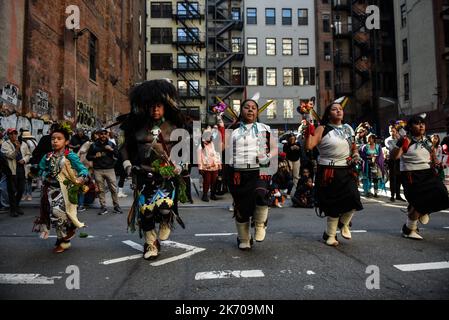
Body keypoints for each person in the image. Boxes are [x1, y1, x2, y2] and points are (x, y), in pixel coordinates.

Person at [119, 79, 187, 260]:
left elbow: (185, 148)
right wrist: (126, 164)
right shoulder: (137, 127)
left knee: (165, 208)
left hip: (167, 174)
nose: (155, 110)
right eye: (151, 106)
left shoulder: (174, 126)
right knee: (146, 212)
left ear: (164, 107)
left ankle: (166, 220)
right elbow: (125, 147)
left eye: (158, 106)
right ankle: (150, 243)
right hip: (143, 174)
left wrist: (180, 165)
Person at [302, 102, 363, 246]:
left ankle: (342, 225)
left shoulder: (348, 128)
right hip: (328, 171)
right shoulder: (322, 128)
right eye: (334, 109)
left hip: (347, 169)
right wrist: (307, 130)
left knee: (354, 198)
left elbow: (353, 147)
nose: (338, 111)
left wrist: (355, 154)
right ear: (329, 114)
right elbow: (309, 146)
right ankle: (330, 235)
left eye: (340, 109)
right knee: (333, 204)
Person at [226, 99, 276, 250]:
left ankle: (260, 224)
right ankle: (244, 238)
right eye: (246, 107)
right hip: (238, 172)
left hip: (259, 170)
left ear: (257, 112)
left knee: (261, 195)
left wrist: (267, 156)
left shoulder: (264, 128)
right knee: (242, 207)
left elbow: (274, 148)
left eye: (253, 108)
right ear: (241, 111)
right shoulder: (234, 130)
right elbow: (225, 150)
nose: (250, 110)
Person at [34, 122, 89, 253]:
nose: (55, 141)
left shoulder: (70, 156)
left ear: (66, 142)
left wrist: (81, 177)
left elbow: (83, 170)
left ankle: (64, 238)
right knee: (54, 216)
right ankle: (65, 236)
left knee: (57, 214)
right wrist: (43, 173)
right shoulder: (47, 156)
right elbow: (40, 169)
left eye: (59, 139)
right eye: (53, 139)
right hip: (49, 190)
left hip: (65, 191)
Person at [392, 115, 449, 240]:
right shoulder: (405, 140)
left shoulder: (427, 140)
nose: (421, 125)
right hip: (411, 175)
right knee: (418, 203)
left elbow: (432, 154)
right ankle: (408, 230)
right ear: (410, 127)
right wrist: (399, 144)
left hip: (428, 173)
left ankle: (423, 211)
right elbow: (394, 157)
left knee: (443, 195)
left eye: (422, 123)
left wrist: (437, 163)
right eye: (417, 123)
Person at [86, 128, 123, 215]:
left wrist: (111, 150)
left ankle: (116, 206)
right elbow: (88, 157)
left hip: (110, 169)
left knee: (113, 189)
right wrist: (95, 156)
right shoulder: (94, 145)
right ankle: (103, 207)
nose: (103, 135)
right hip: (98, 170)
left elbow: (118, 155)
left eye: (105, 134)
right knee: (101, 190)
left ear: (107, 134)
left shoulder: (111, 144)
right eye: (101, 134)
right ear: (98, 135)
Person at [1, 128, 29, 217]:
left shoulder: (23, 143)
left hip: (22, 169)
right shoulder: (5, 144)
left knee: (21, 189)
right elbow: (10, 156)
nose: (13, 136)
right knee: (12, 191)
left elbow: (28, 154)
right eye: (11, 134)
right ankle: (13, 209)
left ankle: (16, 206)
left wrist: (24, 160)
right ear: (8, 135)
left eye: (15, 134)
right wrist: (17, 148)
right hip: (11, 170)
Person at [198, 127, 222, 202]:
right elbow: (199, 158)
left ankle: (212, 194)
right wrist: (200, 168)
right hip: (206, 167)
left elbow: (216, 154)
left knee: (214, 181)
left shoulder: (212, 144)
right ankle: (205, 195)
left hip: (214, 166)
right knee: (207, 181)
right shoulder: (201, 146)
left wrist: (219, 164)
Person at [360, 133, 385, 198]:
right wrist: (368, 156)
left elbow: (380, 155)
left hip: (375, 165)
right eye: (368, 138)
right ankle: (368, 192)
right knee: (367, 178)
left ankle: (376, 192)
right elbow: (362, 155)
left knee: (375, 179)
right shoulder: (365, 146)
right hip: (367, 165)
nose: (369, 139)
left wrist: (375, 159)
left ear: (373, 139)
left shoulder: (378, 146)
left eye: (370, 138)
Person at [384, 125, 405, 202]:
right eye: (390, 131)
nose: (392, 132)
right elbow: (392, 149)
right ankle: (392, 195)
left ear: (396, 131)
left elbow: (403, 148)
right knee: (392, 178)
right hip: (392, 160)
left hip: (400, 160)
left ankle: (398, 195)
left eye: (393, 131)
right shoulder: (387, 140)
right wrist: (399, 144)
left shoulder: (400, 139)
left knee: (399, 178)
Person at [20, 131, 37, 201]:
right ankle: (28, 195)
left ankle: (26, 195)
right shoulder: (34, 142)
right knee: (29, 180)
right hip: (30, 163)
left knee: (26, 180)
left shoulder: (27, 143)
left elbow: (29, 154)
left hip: (27, 163)